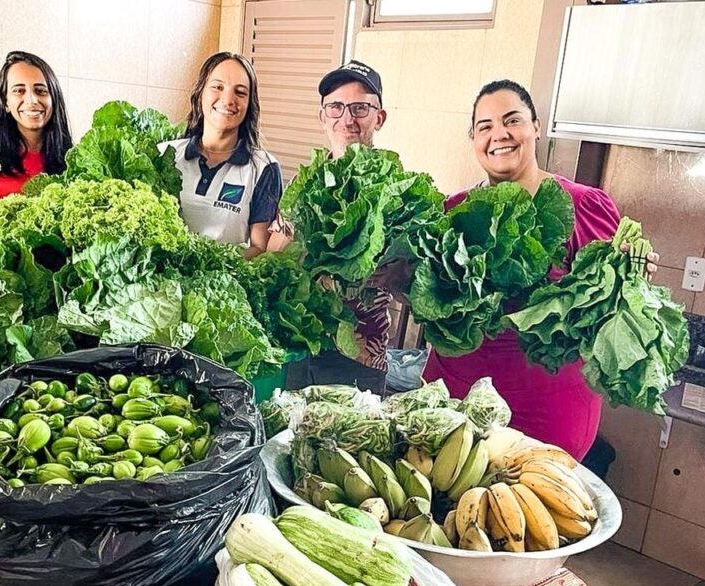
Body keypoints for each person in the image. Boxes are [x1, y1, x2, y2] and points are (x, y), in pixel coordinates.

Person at [416, 79, 658, 460]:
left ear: (536, 126)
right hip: (453, 401)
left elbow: (605, 315)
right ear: (474, 138)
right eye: (485, 126)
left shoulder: (584, 207)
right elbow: (428, 300)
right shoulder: (453, 211)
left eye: (512, 120)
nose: (499, 134)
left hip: (544, 414)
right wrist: (396, 277)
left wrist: (628, 280)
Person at [277, 60, 393, 393]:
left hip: (360, 354)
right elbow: (277, 251)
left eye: (360, 108)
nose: (347, 119)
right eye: (336, 107)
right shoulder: (303, 182)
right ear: (323, 117)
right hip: (299, 340)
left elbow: (410, 282)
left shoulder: (396, 188)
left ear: (379, 117)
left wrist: (394, 272)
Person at [160, 52, 282, 257]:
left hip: (225, 276)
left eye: (240, 92)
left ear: (249, 104)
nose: (228, 99)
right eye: (217, 87)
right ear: (200, 93)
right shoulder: (164, 154)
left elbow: (260, 248)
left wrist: (209, 269)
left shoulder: (264, 168)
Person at [0, 51, 73, 210]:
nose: (31, 100)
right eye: (19, 90)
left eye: (41, 90)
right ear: (5, 101)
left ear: (54, 99)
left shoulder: (74, 165)